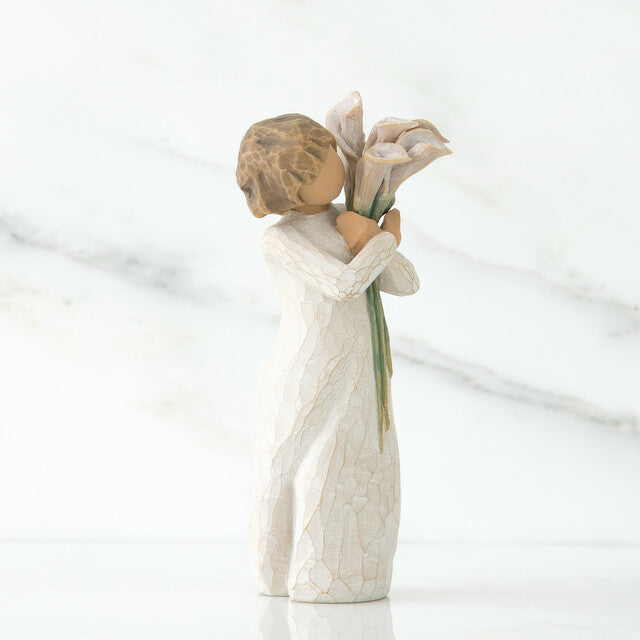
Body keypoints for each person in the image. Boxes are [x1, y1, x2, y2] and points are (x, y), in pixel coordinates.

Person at [237, 113, 419, 603]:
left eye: (329, 151)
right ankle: (279, 573)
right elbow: (344, 284)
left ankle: (350, 573)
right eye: (319, 161)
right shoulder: (282, 239)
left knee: (352, 462)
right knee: (287, 465)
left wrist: (374, 239)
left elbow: (406, 283)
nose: (336, 162)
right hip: (309, 367)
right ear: (291, 184)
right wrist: (378, 240)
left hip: (358, 368)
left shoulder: (346, 216)